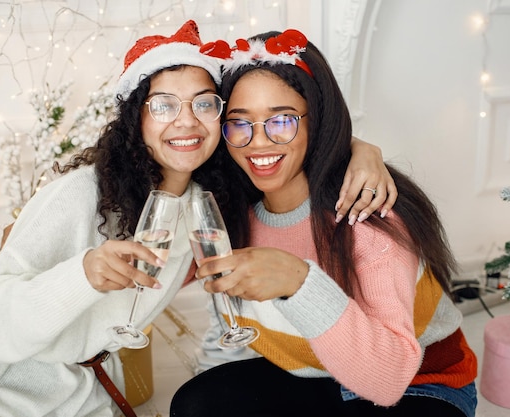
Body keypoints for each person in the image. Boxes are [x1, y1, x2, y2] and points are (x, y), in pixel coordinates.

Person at [0, 21, 395, 416]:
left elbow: (281, 134)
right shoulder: (80, 193)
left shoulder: (209, 205)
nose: (186, 122)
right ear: (136, 119)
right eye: (163, 105)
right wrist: (82, 275)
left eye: (204, 104)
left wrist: (360, 150)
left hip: (86, 394)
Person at [170, 29, 478, 417]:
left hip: (421, 386)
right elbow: (155, 275)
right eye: (239, 123)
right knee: (195, 405)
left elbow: (389, 379)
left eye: (281, 120)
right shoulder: (224, 216)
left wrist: (299, 282)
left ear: (316, 121)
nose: (258, 142)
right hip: (317, 375)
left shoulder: (367, 212)